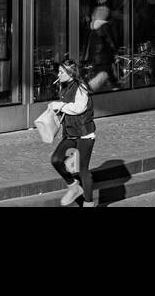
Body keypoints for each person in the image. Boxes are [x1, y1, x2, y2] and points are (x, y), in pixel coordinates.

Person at [48, 58, 97, 206]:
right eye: (59, 71)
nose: (59, 74)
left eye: (62, 72)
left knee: (83, 170)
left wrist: (59, 105)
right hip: (70, 132)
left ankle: (88, 203)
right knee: (56, 159)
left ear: (70, 73)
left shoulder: (81, 86)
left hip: (84, 133)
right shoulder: (64, 86)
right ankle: (73, 186)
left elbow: (78, 108)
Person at [83, 5, 119, 92]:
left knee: (108, 76)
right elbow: (111, 41)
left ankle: (115, 90)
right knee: (105, 76)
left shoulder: (93, 27)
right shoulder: (105, 26)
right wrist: (115, 52)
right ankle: (87, 92)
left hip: (97, 58)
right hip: (104, 57)